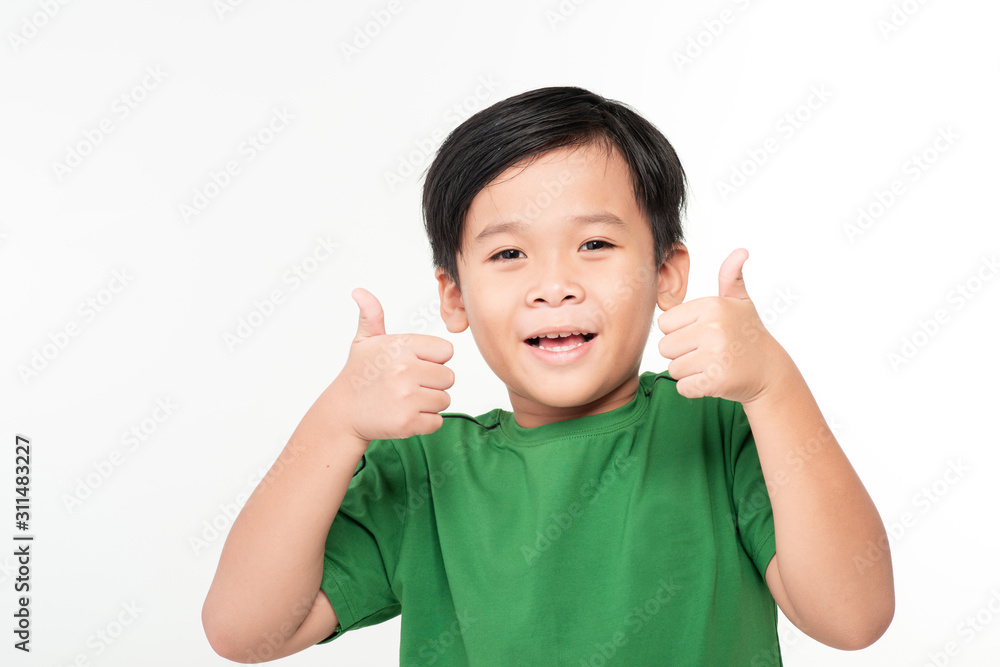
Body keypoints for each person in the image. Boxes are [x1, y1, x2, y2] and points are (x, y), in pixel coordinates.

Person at [202, 86, 894, 665]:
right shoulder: (424, 471)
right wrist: (336, 421)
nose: (554, 285)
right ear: (454, 295)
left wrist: (774, 386)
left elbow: (852, 615)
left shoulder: (720, 429)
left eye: (595, 244)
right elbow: (245, 628)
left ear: (665, 273)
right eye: (508, 253)